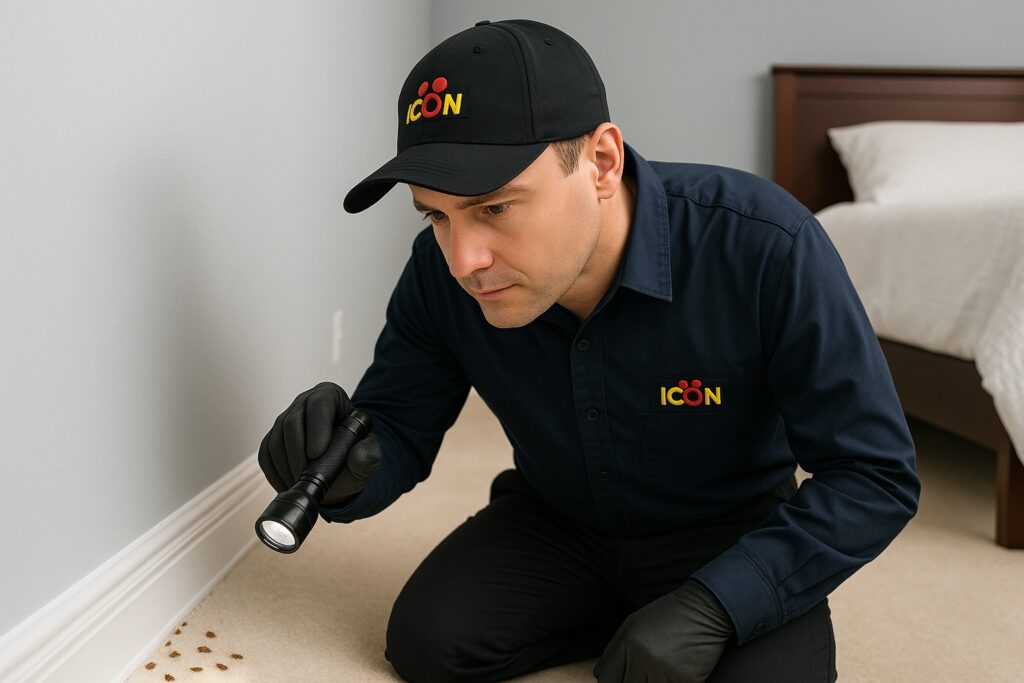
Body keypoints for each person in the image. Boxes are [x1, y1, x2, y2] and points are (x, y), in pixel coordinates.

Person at [257, 18, 920, 683]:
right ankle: (622, 616)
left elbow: (874, 473)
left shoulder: (764, 246)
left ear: (602, 162)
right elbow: (399, 424)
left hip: (730, 533)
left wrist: (716, 606)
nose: (464, 260)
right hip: (559, 519)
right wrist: (342, 468)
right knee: (429, 642)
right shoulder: (438, 274)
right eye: (436, 215)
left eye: (495, 208)